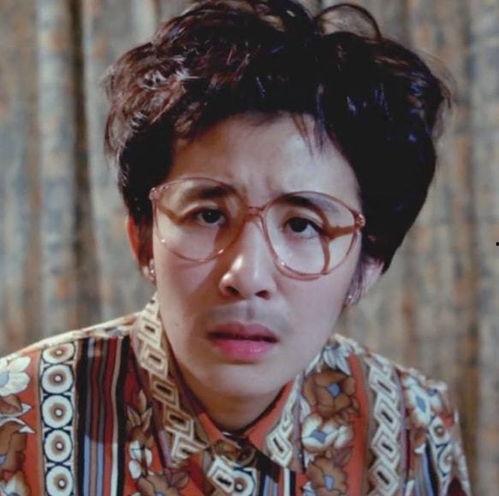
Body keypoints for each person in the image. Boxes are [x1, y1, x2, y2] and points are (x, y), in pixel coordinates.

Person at [0, 1, 471, 494]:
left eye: (303, 225)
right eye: (208, 215)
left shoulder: (413, 428)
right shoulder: (19, 419)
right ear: (141, 238)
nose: (246, 275)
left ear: (369, 263)